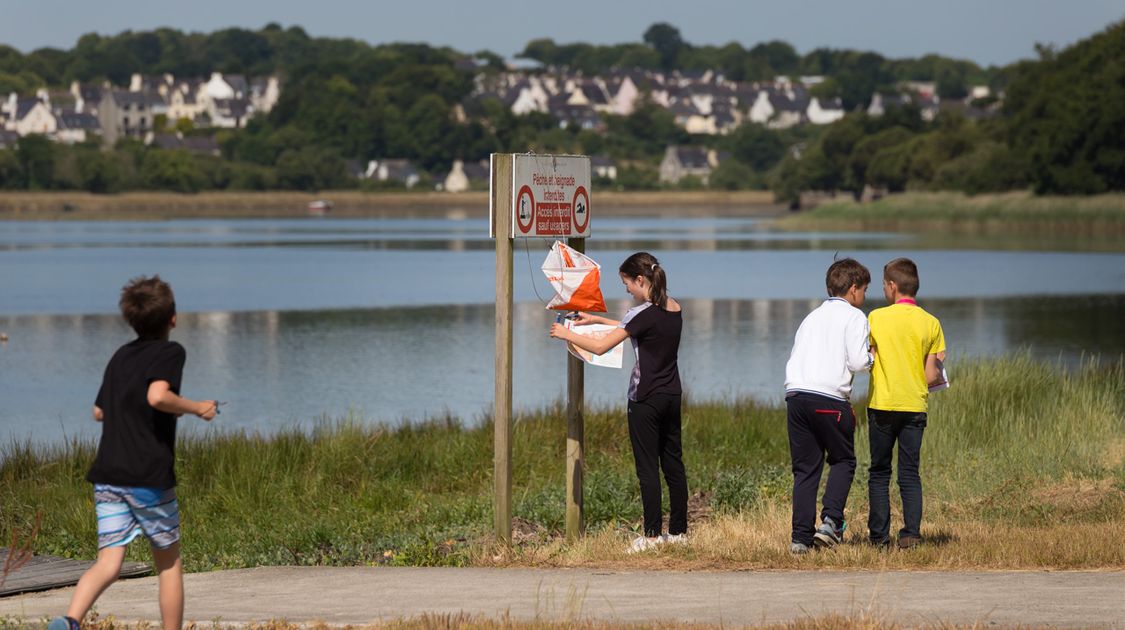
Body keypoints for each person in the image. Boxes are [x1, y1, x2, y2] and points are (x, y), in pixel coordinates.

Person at [51, 276, 218, 630]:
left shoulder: (120, 356)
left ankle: (69, 621)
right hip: (147, 475)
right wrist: (196, 407)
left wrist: (129, 410)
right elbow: (157, 396)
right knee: (169, 563)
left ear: (131, 320)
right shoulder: (171, 352)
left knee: (108, 563)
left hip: (108, 476)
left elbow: (99, 411)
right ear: (172, 317)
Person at [549, 252, 687, 553]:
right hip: (671, 395)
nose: (625, 289)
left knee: (647, 468)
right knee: (673, 464)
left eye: (626, 283)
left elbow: (600, 347)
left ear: (640, 280)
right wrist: (597, 318)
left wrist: (564, 334)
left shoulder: (640, 313)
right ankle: (678, 532)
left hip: (645, 398)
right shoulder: (673, 307)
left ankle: (651, 537)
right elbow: (640, 327)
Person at [783, 258, 873, 554]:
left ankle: (800, 539)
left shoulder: (811, 316)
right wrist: (872, 356)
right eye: (864, 290)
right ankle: (831, 522)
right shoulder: (855, 317)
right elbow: (859, 362)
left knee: (806, 469)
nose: (864, 297)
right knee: (844, 461)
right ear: (853, 289)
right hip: (829, 398)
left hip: (796, 395)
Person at [866, 258, 947, 549]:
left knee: (879, 471)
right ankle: (911, 533)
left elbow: (868, 358)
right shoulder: (931, 323)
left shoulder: (875, 318)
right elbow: (930, 375)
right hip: (915, 405)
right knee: (910, 472)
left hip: (882, 405)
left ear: (891, 286)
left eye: (883, 285)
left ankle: (878, 538)